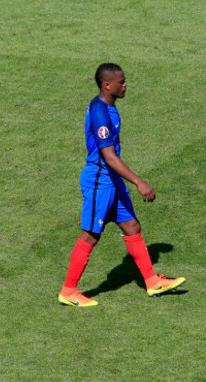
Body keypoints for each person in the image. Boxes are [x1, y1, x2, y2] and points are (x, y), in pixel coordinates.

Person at [58, 63, 185, 307]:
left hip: (112, 180)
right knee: (91, 235)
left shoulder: (108, 108)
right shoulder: (99, 112)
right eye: (121, 81)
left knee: (132, 226)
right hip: (100, 180)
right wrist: (139, 182)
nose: (125, 84)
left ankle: (151, 281)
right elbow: (109, 157)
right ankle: (68, 290)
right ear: (107, 85)